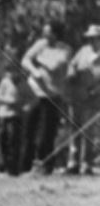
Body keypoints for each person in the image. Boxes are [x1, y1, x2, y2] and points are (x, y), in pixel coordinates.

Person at [21, 20, 74, 173]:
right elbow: (25, 60)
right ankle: (25, 165)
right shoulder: (39, 44)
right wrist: (34, 69)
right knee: (28, 129)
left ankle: (45, 165)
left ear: (55, 34)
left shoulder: (65, 50)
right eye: (44, 32)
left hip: (52, 95)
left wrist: (37, 60)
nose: (44, 35)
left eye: (47, 32)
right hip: (33, 93)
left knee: (47, 133)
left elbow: (54, 66)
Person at [68, 23, 100, 175]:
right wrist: (71, 72)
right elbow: (72, 65)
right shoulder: (83, 51)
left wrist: (95, 90)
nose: (94, 41)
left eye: (96, 38)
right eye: (91, 38)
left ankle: (86, 163)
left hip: (94, 99)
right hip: (77, 96)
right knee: (75, 129)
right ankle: (73, 162)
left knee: (89, 131)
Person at [0, 60, 34, 176]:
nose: (11, 75)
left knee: (13, 141)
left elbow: (33, 99)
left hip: (15, 116)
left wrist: (27, 108)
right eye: (9, 72)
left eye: (13, 72)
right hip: (3, 114)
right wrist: (9, 101)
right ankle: (3, 165)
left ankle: (14, 168)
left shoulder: (23, 84)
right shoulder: (5, 82)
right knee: (2, 140)